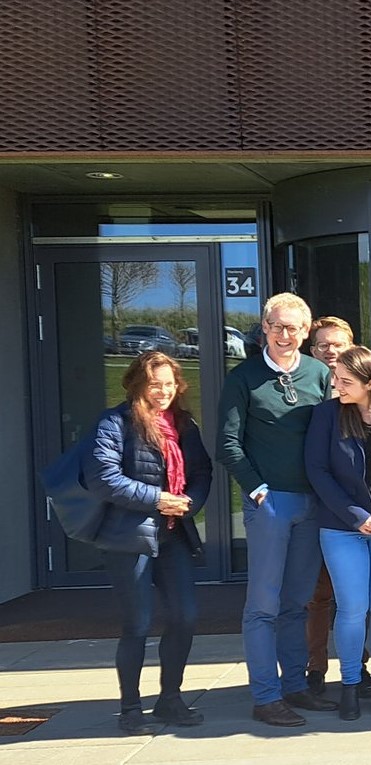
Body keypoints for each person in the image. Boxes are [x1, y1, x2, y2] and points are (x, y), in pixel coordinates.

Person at [217, 293, 337, 727]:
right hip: (270, 503)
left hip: (312, 502)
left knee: (297, 603)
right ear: (264, 328)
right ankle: (265, 695)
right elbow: (227, 444)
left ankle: (295, 688)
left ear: (306, 332)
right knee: (263, 605)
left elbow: (331, 436)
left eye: (294, 328)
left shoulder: (320, 373)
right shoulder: (244, 377)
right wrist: (256, 489)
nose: (285, 335)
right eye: (277, 326)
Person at [83, 352, 212, 734]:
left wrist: (191, 502)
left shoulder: (184, 423)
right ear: (137, 384)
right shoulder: (113, 422)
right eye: (155, 384)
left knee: (184, 617)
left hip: (174, 535)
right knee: (137, 624)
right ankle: (130, 708)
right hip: (129, 538)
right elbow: (103, 477)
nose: (163, 392)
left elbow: (202, 472)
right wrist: (157, 499)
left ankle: (170, 700)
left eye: (170, 384)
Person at [305, 346, 371, 720]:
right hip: (342, 528)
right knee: (353, 608)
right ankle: (350, 684)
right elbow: (317, 471)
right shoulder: (326, 415)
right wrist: (355, 517)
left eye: (346, 381)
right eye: (336, 379)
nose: (337, 386)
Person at [304, 316, 356, 695]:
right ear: (312, 351)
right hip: (313, 506)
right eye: (323, 345)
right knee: (318, 593)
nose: (331, 351)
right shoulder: (306, 391)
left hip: (356, 510)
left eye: (338, 344)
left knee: (357, 596)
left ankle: (360, 664)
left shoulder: (363, 392)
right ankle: (316, 668)